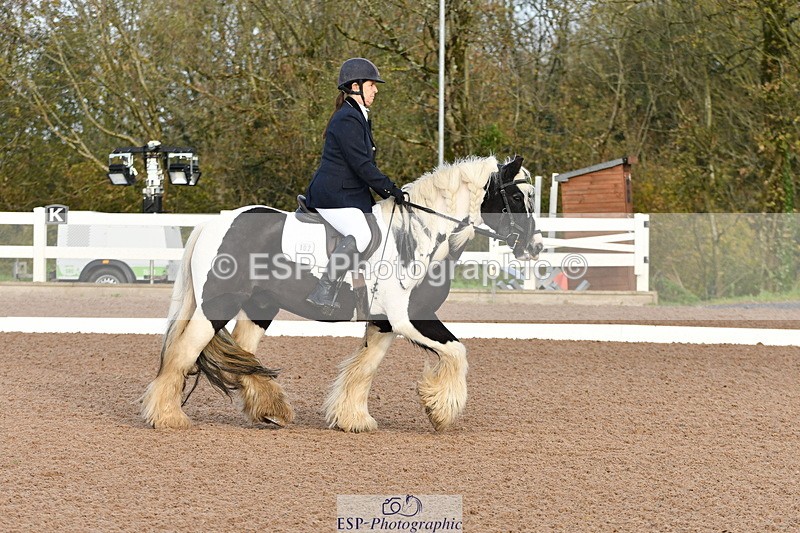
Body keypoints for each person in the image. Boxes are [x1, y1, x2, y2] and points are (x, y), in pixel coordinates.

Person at [304, 57, 405, 309]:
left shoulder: (358, 116)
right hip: (333, 195)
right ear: (356, 86)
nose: (376, 90)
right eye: (372, 84)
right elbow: (362, 166)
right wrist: (390, 189)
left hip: (348, 195)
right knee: (361, 234)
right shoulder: (347, 119)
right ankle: (323, 290)